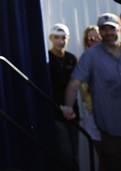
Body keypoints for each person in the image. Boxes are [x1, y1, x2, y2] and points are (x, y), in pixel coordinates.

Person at [62, 13, 121, 171]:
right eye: (104, 29)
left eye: (111, 28)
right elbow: (74, 83)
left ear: (120, 29)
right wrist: (68, 106)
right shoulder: (90, 56)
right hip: (113, 132)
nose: (108, 33)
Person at [47, 23, 80, 171]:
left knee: (75, 155)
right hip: (55, 111)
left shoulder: (71, 59)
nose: (60, 41)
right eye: (56, 37)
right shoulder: (47, 59)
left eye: (63, 38)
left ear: (69, 39)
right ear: (50, 38)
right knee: (65, 152)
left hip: (72, 111)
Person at [79, 25, 105, 171]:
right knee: (104, 158)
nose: (95, 40)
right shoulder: (83, 61)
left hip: (114, 114)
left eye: (98, 37)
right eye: (91, 38)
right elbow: (85, 91)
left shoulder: (113, 55)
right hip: (94, 114)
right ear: (86, 41)